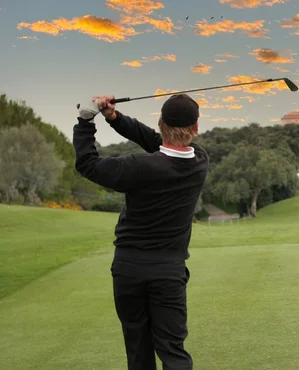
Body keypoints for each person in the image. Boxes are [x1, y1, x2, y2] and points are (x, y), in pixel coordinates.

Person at [74, 94, 210, 370]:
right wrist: (114, 117)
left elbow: (88, 164)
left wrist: (85, 122)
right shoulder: (200, 162)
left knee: (138, 349)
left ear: (160, 122)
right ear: (196, 128)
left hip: (128, 268)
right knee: (173, 351)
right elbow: (158, 142)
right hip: (169, 271)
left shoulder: (137, 167)